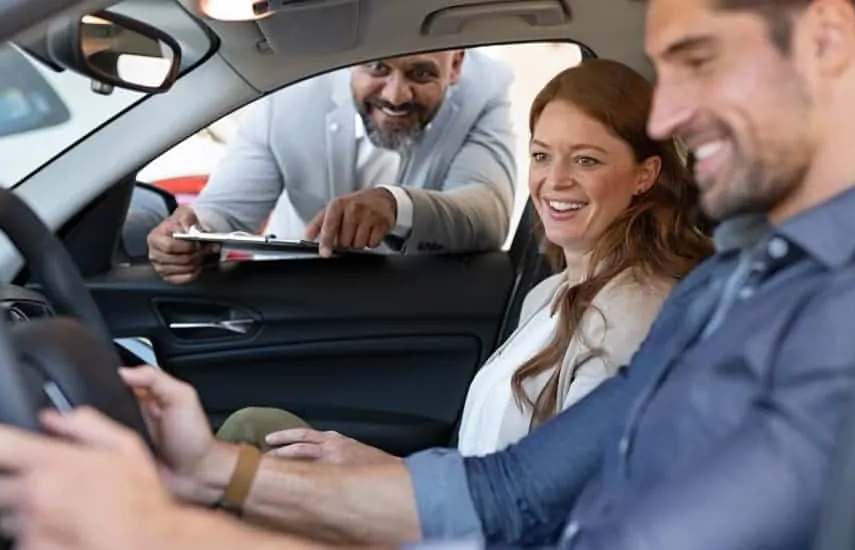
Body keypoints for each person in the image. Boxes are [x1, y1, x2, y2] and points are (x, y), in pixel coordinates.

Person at [0, 0, 855, 549]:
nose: (668, 116)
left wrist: (157, 532)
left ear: (824, 39)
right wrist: (211, 468)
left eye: (698, 63)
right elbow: (513, 495)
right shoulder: (736, 281)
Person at [217, 58, 713, 462]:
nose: (554, 181)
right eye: (542, 156)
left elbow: (561, 500)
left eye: (586, 160)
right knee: (255, 430)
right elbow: (492, 465)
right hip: (465, 511)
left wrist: (388, 485)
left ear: (645, 174)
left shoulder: (635, 314)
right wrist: (378, 468)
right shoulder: (550, 292)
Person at [144, 49, 517, 284]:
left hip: (413, 303)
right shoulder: (290, 90)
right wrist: (190, 237)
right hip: (299, 289)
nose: (395, 95)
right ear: (351, 59)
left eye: (421, 74)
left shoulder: (484, 91)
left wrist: (395, 206)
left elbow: (488, 213)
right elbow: (223, 212)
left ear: (456, 65)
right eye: (377, 66)